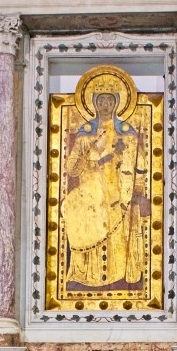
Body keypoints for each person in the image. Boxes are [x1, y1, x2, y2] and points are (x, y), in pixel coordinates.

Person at [60, 85, 148, 290]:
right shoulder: (85, 135)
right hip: (91, 193)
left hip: (119, 193)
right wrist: (95, 161)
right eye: (101, 100)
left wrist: (138, 190)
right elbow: (71, 168)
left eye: (109, 100)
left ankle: (118, 277)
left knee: (118, 228)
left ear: (117, 103)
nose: (105, 104)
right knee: (74, 210)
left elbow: (140, 164)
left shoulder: (126, 134)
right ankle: (86, 276)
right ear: (93, 103)